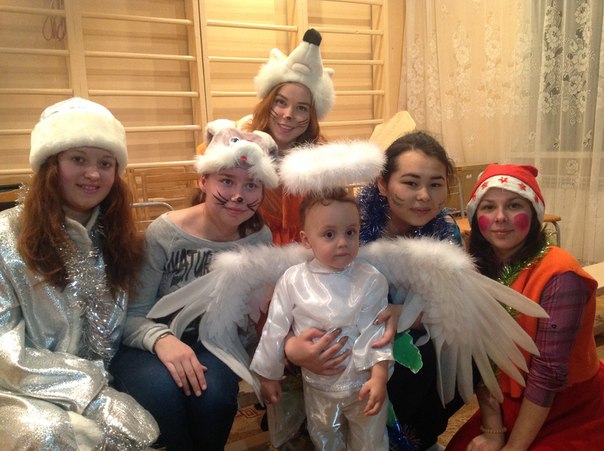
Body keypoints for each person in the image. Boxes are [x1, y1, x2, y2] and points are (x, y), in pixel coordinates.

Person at [285, 131, 465, 451]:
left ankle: (416, 439)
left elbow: (456, 306)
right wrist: (291, 345)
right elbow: (304, 286)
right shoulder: (349, 224)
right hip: (350, 336)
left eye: (436, 184)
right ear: (382, 183)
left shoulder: (445, 231)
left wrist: (406, 314)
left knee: (461, 356)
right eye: (410, 183)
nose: (424, 196)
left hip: (415, 330)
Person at [0, 97, 159, 449]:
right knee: (47, 433)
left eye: (105, 163)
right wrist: (89, 389)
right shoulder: (5, 236)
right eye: (78, 159)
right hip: (16, 387)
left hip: (96, 382)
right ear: (51, 164)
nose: (93, 174)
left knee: (132, 427)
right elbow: (4, 352)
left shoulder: (116, 237)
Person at [109, 123, 279, 450]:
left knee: (214, 396)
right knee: (161, 393)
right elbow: (132, 315)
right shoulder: (165, 233)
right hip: (149, 341)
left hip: (215, 343)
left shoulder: (259, 238)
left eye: (251, 185)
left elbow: (253, 312)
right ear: (203, 180)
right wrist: (163, 341)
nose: (238, 195)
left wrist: (265, 360)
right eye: (226, 181)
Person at [446, 164, 604, 450]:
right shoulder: (474, 266)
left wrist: (513, 448)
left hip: (568, 405)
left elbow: (548, 374)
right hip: (507, 401)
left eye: (514, 205)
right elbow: (478, 354)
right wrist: (493, 430)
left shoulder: (560, 274)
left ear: (534, 213)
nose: (500, 217)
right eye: (488, 207)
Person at [251, 187, 393, 450]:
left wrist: (379, 375)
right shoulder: (293, 280)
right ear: (306, 240)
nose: (342, 242)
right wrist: (269, 375)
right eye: (329, 234)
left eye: (350, 232)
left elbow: (377, 330)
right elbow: (275, 327)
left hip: (363, 383)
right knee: (324, 437)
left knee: (370, 440)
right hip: (318, 386)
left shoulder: (370, 278)